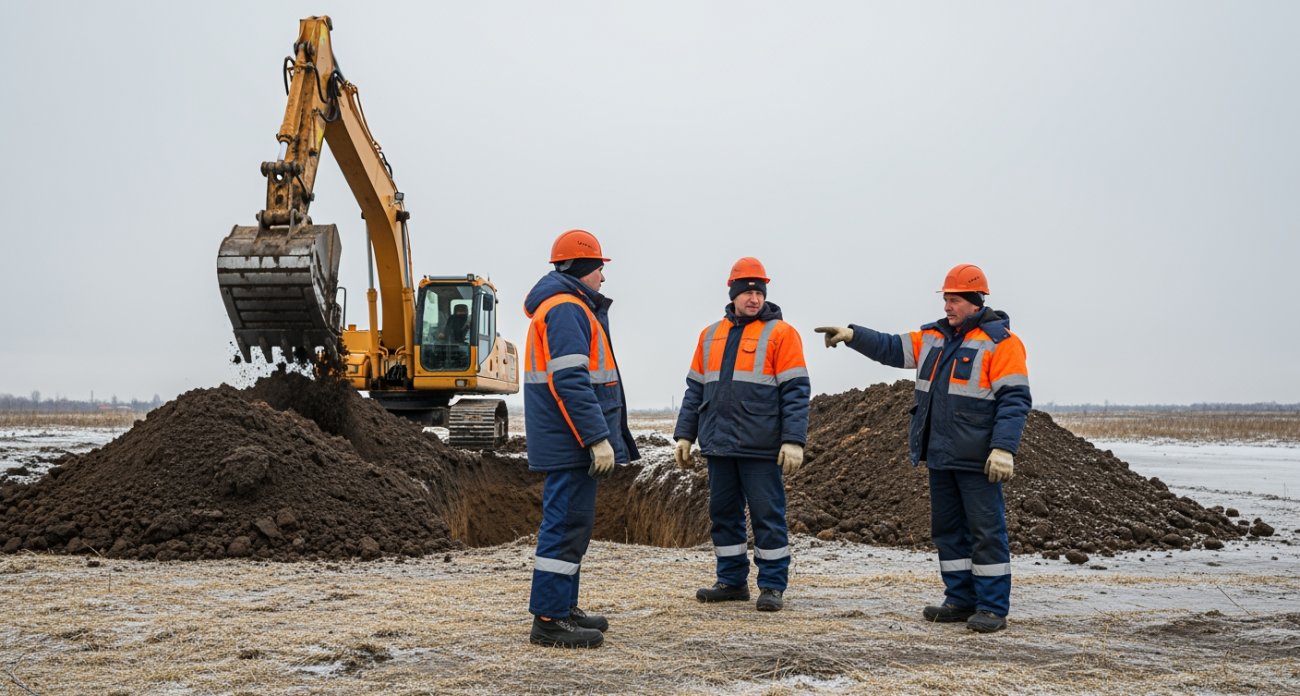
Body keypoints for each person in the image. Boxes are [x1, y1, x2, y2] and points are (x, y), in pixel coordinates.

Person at [814, 264, 1030, 633]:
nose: (947, 306)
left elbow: (1014, 400)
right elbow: (889, 347)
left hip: (978, 458)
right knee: (948, 531)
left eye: (954, 300)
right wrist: (853, 335)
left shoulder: (1002, 343)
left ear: (975, 301)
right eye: (946, 299)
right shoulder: (933, 338)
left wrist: (1003, 449)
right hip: (941, 453)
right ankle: (960, 599)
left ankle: (993, 608)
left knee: (986, 531)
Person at [522, 229, 639, 648]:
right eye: (599, 268)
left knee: (573, 526)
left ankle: (563, 607)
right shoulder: (567, 309)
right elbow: (571, 381)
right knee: (565, 526)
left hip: (568, 437)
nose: (603, 278)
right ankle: (549, 620)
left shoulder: (565, 306)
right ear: (583, 268)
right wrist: (596, 438)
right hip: (571, 439)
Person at [672, 257, 810, 612]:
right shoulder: (710, 335)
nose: (754, 298)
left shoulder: (782, 333)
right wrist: (685, 435)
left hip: (760, 445)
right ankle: (731, 581)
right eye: (747, 292)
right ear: (733, 294)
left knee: (767, 515)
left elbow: (796, 392)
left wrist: (793, 440)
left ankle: (772, 585)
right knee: (723, 514)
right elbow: (694, 390)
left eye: (759, 292)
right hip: (718, 443)